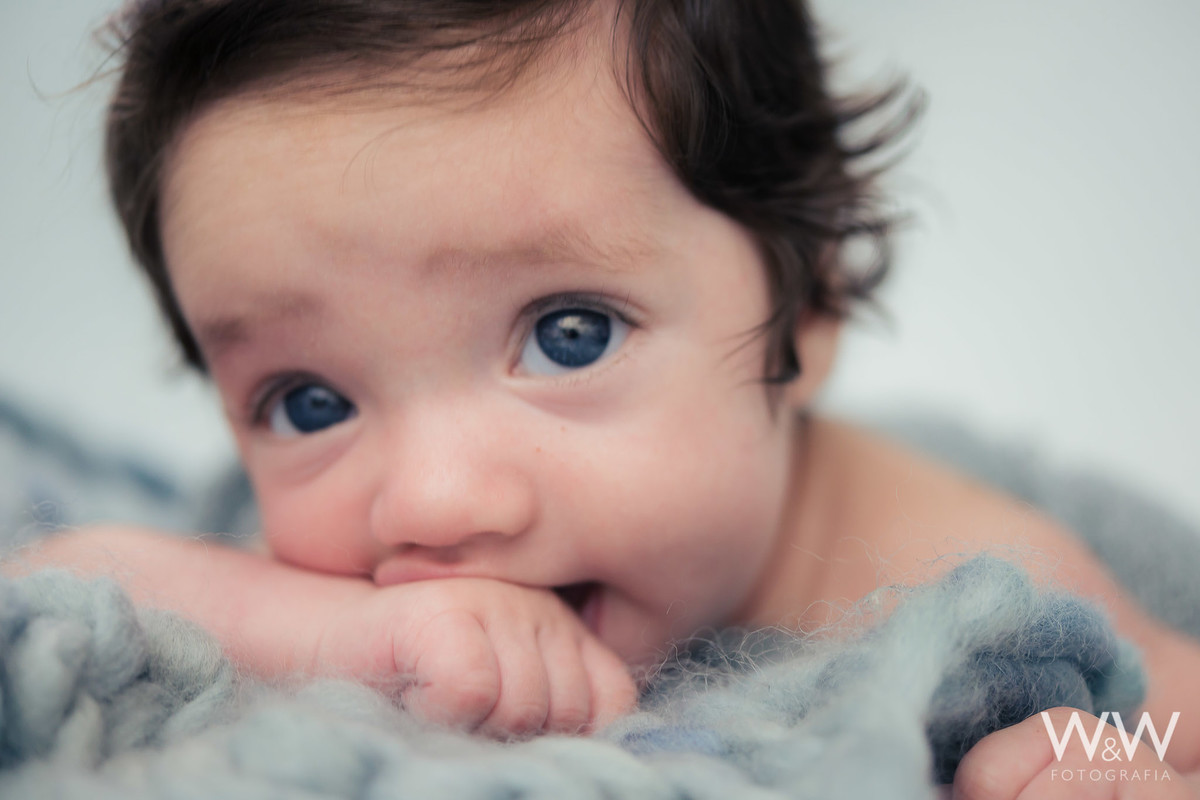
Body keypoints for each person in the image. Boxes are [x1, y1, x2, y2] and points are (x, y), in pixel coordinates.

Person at [14, 0, 1200, 795]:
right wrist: (349, 634)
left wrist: (1087, 751)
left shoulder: (967, 563)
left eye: (568, 334)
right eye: (308, 401)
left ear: (808, 303)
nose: (432, 501)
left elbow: (1176, 709)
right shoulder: (352, 589)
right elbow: (53, 589)